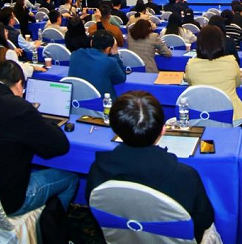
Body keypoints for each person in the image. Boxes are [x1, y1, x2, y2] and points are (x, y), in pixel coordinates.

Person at [87, 91, 215, 243]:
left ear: (115, 130)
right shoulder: (186, 176)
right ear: (163, 130)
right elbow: (204, 221)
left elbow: (95, 207)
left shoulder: (98, 168)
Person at [0, 61, 78, 216]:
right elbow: (60, 145)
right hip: (8, 200)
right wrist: (41, 120)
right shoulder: (19, 107)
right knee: (70, 178)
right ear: (19, 84)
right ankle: (50, 224)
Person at [184, 26, 242, 126]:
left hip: (201, 116)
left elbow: (190, 83)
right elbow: (238, 83)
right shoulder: (231, 61)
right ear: (221, 43)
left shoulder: (191, 65)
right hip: (233, 116)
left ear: (199, 44)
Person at [69, 26, 126, 99]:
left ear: (91, 43)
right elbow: (121, 79)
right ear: (109, 49)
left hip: (76, 100)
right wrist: (115, 53)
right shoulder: (110, 62)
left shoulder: (75, 54)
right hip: (101, 103)